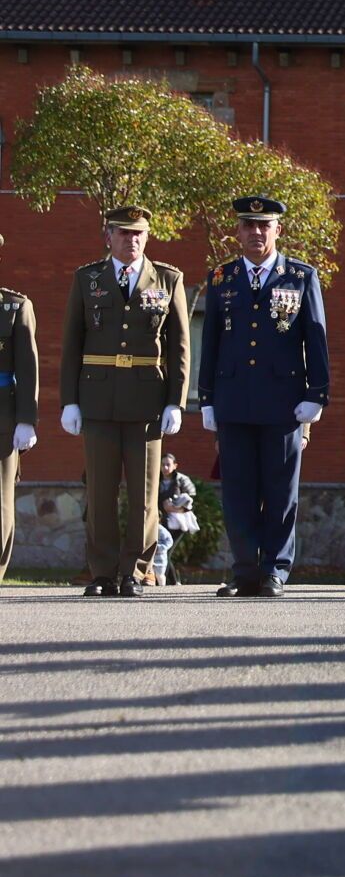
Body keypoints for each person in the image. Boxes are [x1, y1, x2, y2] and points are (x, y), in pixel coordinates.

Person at [196, 196, 329, 599]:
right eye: (248, 226)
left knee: (279, 491)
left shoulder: (301, 276)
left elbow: (316, 337)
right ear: (237, 232)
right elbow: (212, 341)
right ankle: (244, 571)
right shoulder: (221, 278)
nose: (256, 233)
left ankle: (275, 569)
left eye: (264, 226)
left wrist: (316, 395)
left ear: (278, 231)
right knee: (237, 491)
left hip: (284, 402)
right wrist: (206, 399)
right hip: (234, 400)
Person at [61, 206, 191, 598]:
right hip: (98, 397)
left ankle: (135, 571)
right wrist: (69, 401)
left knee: (145, 494)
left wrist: (176, 402)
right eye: (123, 233)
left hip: (147, 400)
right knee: (101, 493)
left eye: (138, 234)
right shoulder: (88, 279)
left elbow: (179, 345)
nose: (131, 240)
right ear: (108, 236)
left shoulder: (167, 278)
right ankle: (102, 572)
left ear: (147, 237)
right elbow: (71, 343)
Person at [0, 239, 40, 584]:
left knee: (0, 500)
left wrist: (26, 419)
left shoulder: (13, 306)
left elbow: (27, 369)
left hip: (2, 414)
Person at [155, 449, 198, 585]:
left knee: (166, 549)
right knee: (163, 550)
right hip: (163, 521)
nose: (165, 468)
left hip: (179, 522)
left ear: (175, 465)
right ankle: (172, 582)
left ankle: (170, 582)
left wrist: (176, 508)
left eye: (168, 464)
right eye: (162, 465)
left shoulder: (181, 480)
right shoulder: (156, 480)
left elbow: (191, 500)